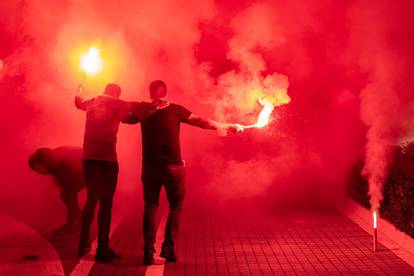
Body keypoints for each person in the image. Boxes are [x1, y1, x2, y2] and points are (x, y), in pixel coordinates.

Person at [125, 80, 244, 265]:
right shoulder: (174, 109)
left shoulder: (143, 108)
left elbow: (127, 116)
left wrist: (226, 125)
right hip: (174, 166)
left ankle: (148, 253)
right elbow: (201, 122)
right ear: (165, 92)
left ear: (150, 93)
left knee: (150, 207)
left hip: (150, 167)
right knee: (175, 206)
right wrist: (225, 126)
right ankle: (168, 249)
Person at [75, 82, 168, 262]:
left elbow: (78, 102)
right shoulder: (115, 104)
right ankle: (102, 249)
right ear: (116, 95)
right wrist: (154, 107)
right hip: (107, 160)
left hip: (88, 158)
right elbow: (132, 117)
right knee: (106, 205)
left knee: (90, 200)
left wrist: (79, 88)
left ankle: (82, 244)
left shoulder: (92, 102)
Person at [28, 146, 84, 236]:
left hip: (91, 171)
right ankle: (79, 222)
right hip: (85, 166)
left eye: (37, 169)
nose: (38, 173)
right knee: (64, 195)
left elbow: (71, 196)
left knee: (68, 197)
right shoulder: (51, 158)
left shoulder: (62, 168)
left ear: (42, 164)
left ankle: (74, 226)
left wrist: (69, 225)